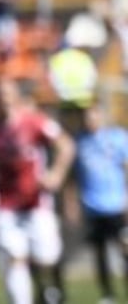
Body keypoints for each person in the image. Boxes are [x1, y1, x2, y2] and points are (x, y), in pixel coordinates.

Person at [0, 80, 75, 304]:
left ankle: (50, 290)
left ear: (15, 96)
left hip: (36, 203)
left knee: (47, 256)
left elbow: (66, 145)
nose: (3, 99)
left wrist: (56, 173)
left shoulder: (35, 122)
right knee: (15, 257)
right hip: (7, 206)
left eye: (6, 93)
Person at [74, 102, 128, 304]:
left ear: (102, 116)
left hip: (118, 206)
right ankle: (108, 295)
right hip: (93, 207)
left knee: (125, 250)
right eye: (87, 116)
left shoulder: (117, 137)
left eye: (94, 115)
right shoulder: (80, 142)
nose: (90, 120)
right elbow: (76, 176)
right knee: (100, 253)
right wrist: (74, 203)